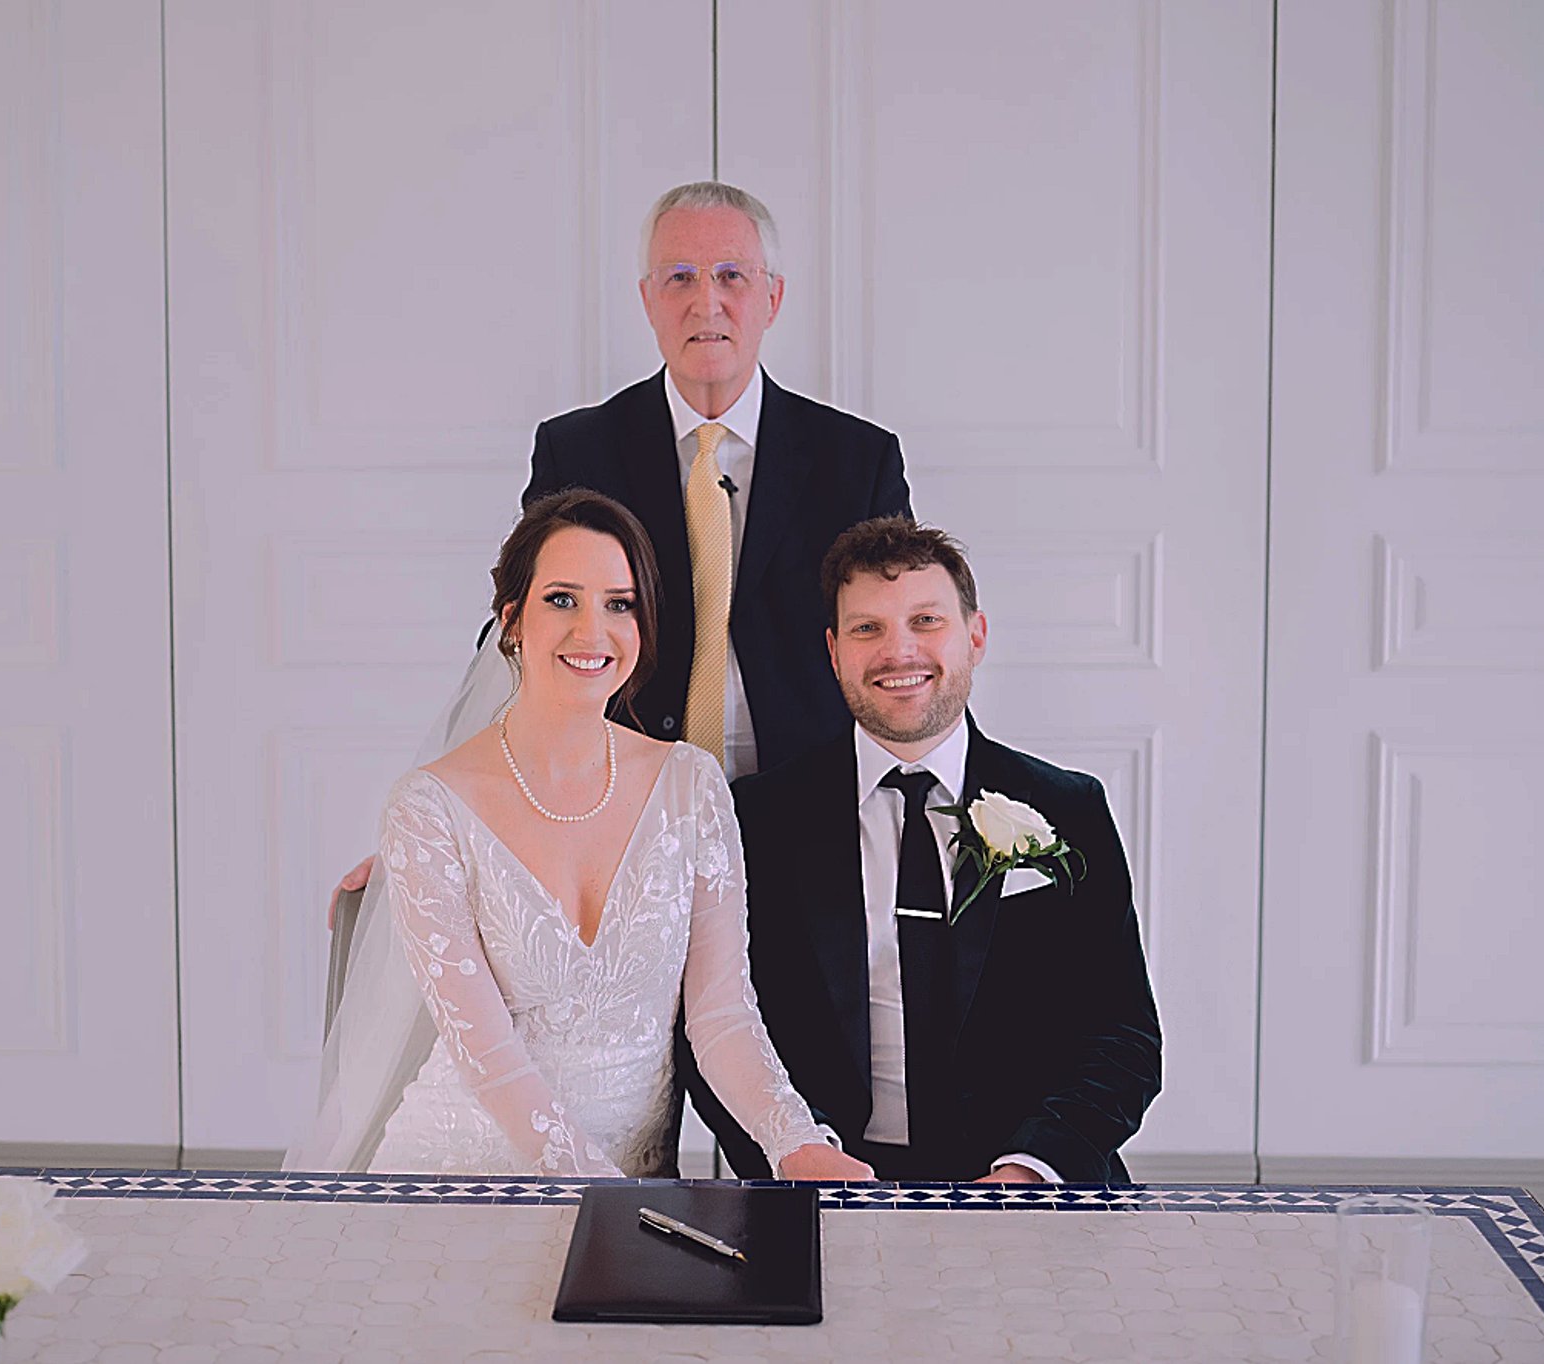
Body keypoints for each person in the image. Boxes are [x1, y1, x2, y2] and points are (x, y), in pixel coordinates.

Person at [330, 181, 911, 909]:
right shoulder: (579, 449)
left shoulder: (857, 459)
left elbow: (904, 649)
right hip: (613, 829)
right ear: (647, 299)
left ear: (774, 296)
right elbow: (523, 637)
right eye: (680, 278)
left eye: (732, 276)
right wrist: (438, 830)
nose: (706, 303)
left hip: (816, 829)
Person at [292, 490, 875, 1180]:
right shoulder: (428, 808)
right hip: (462, 1177)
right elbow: (489, 1056)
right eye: (562, 599)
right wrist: (602, 1193)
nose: (592, 631)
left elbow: (721, 1015)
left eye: (619, 604)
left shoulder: (691, 786)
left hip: (632, 1185)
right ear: (512, 621)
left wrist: (796, 1140)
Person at [688, 517, 1161, 1183]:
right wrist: (801, 1157)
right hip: (825, 1179)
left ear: (975, 635)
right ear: (834, 651)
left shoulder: (1069, 807)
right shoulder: (756, 819)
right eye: (867, 628)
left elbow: (1123, 1035)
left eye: (925, 621)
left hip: (1033, 1186)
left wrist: (1034, 1168)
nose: (898, 651)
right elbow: (717, 1028)